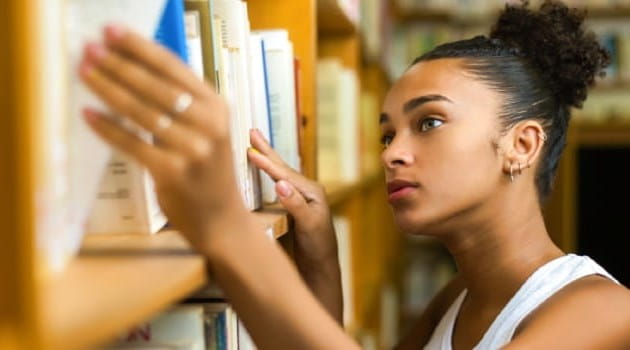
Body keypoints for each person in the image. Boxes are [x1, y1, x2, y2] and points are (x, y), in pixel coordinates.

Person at [78, 0, 630, 348]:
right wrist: (319, 252)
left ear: (522, 144)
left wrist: (224, 227)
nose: (391, 154)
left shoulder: (603, 313)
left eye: (429, 122)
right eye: (387, 134)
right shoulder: (461, 295)